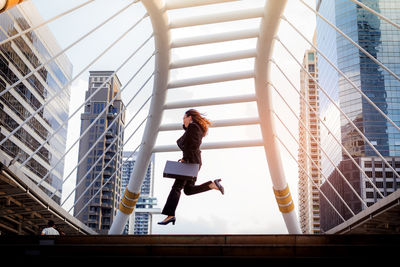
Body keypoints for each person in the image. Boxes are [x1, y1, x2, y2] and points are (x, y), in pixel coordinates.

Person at [158, 109, 224, 225]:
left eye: (184, 118)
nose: (183, 120)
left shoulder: (193, 127)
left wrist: (186, 159)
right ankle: (211, 185)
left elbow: (192, 146)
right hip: (194, 161)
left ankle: (170, 215)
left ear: (190, 117)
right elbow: (190, 143)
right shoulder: (194, 128)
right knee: (188, 190)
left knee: (176, 187)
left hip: (191, 161)